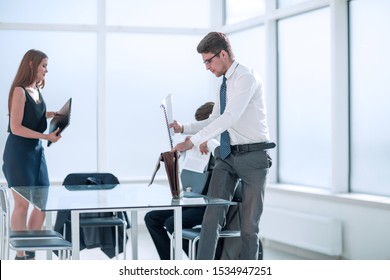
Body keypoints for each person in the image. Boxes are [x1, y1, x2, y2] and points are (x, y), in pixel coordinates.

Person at [171, 32, 273, 260]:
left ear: (223, 54)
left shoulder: (246, 78)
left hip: (253, 157)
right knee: (210, 221)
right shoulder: (224, 84)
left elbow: (230, 117)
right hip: (227, 157)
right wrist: (185, 128)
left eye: (208, 61)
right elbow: (215, 118)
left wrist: (192, 142)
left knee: (248, 227)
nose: (206, 67)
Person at [2, 49, 61, 260]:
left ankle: (29, 250)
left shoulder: (35, 89)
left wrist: (52, 114)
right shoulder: (18, 90)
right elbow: (16, 127)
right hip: (18, 153)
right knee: (22, 205)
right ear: (31, 65)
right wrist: (47, 138)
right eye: (43, 65)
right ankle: (21, 256)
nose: (46, 69)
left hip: (35, 153)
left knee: (41, 205)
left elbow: (31, 113)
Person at [144, 101, 217, 260]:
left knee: (172, 223)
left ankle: (203, 259)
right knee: (151, 218)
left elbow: (222, 154)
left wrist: (202, 140)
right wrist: (181, 152)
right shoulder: (199, 145)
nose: (200, 133)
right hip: (194, 202)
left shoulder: (220, 144)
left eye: (203, 129)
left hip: (210, 207)